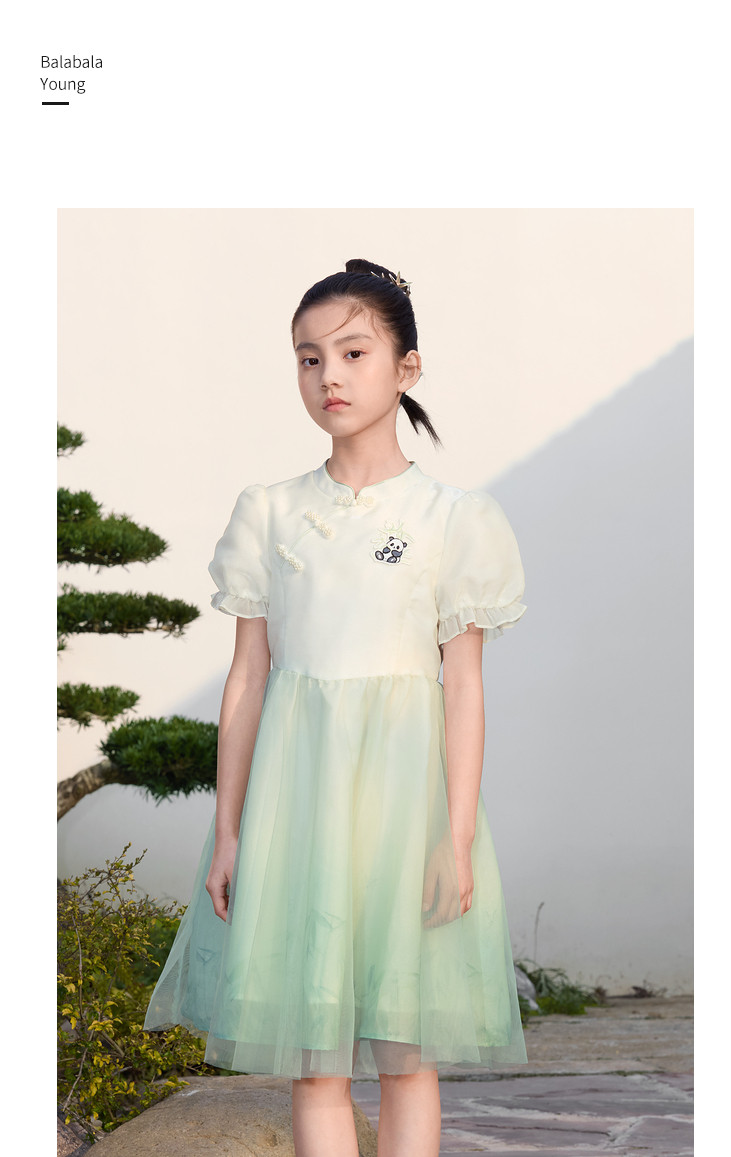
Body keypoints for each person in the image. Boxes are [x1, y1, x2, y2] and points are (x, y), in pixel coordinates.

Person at [144, 258, 529, 1156]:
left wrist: (455, 835)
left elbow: (463, 684)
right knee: (314, 1061)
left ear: (407, 367)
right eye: (309, 358)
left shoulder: (453, 519)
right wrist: (229, 829)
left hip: (405, 809)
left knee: (404, 1053)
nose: (330, 377)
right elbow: (248, 677)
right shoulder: (271, 512)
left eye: (354, 353)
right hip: (298, 810)